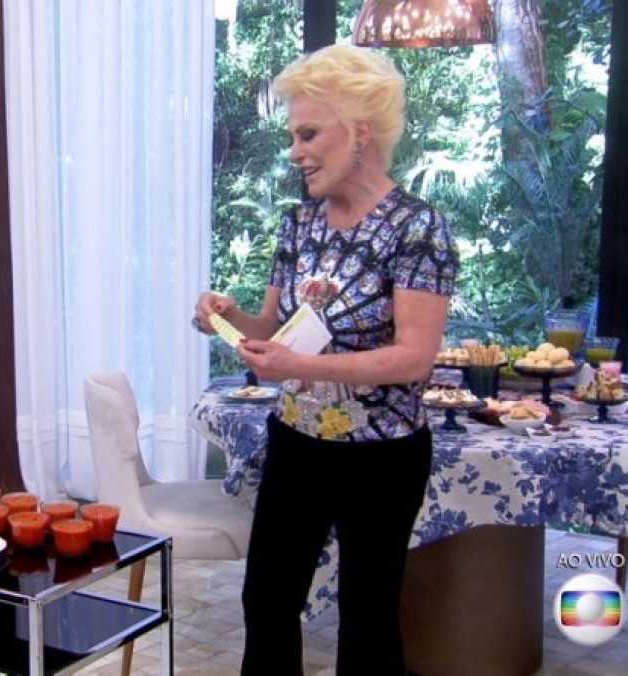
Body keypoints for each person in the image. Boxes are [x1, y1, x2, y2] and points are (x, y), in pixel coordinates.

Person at [193, 44, 459, 675]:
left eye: (308, 134)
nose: (295, 151)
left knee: (367, 620)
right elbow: (275, 330)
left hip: (383, 456)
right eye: (293, 136)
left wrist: (299, 367)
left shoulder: (418, 229)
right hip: (298, 441)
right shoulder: (299, 225)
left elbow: (414, 359)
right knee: (266, 600)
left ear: (361, 132)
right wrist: (228, 317)